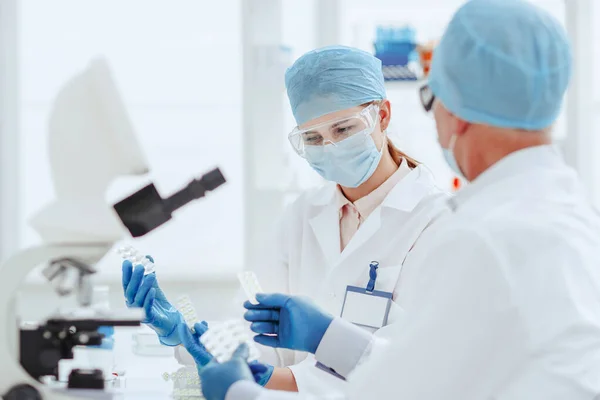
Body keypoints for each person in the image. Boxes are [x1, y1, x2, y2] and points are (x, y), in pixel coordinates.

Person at [189, 0, 600, 399]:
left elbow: (402, 391)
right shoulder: (565, 210)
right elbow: (426, 369)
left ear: (456, 110)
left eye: (430, 99)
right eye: (313, 137)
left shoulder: (480, 237)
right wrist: (330, 337)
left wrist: (240, 392)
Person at [121, 46, 450, 392]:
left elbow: (405, 365)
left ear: (382, 115)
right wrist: (185, 337)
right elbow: (257, 334)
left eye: (343, 129)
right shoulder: (303, 214)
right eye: (312, 137)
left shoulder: (434, 222)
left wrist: (266, 378)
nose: (330, 146)